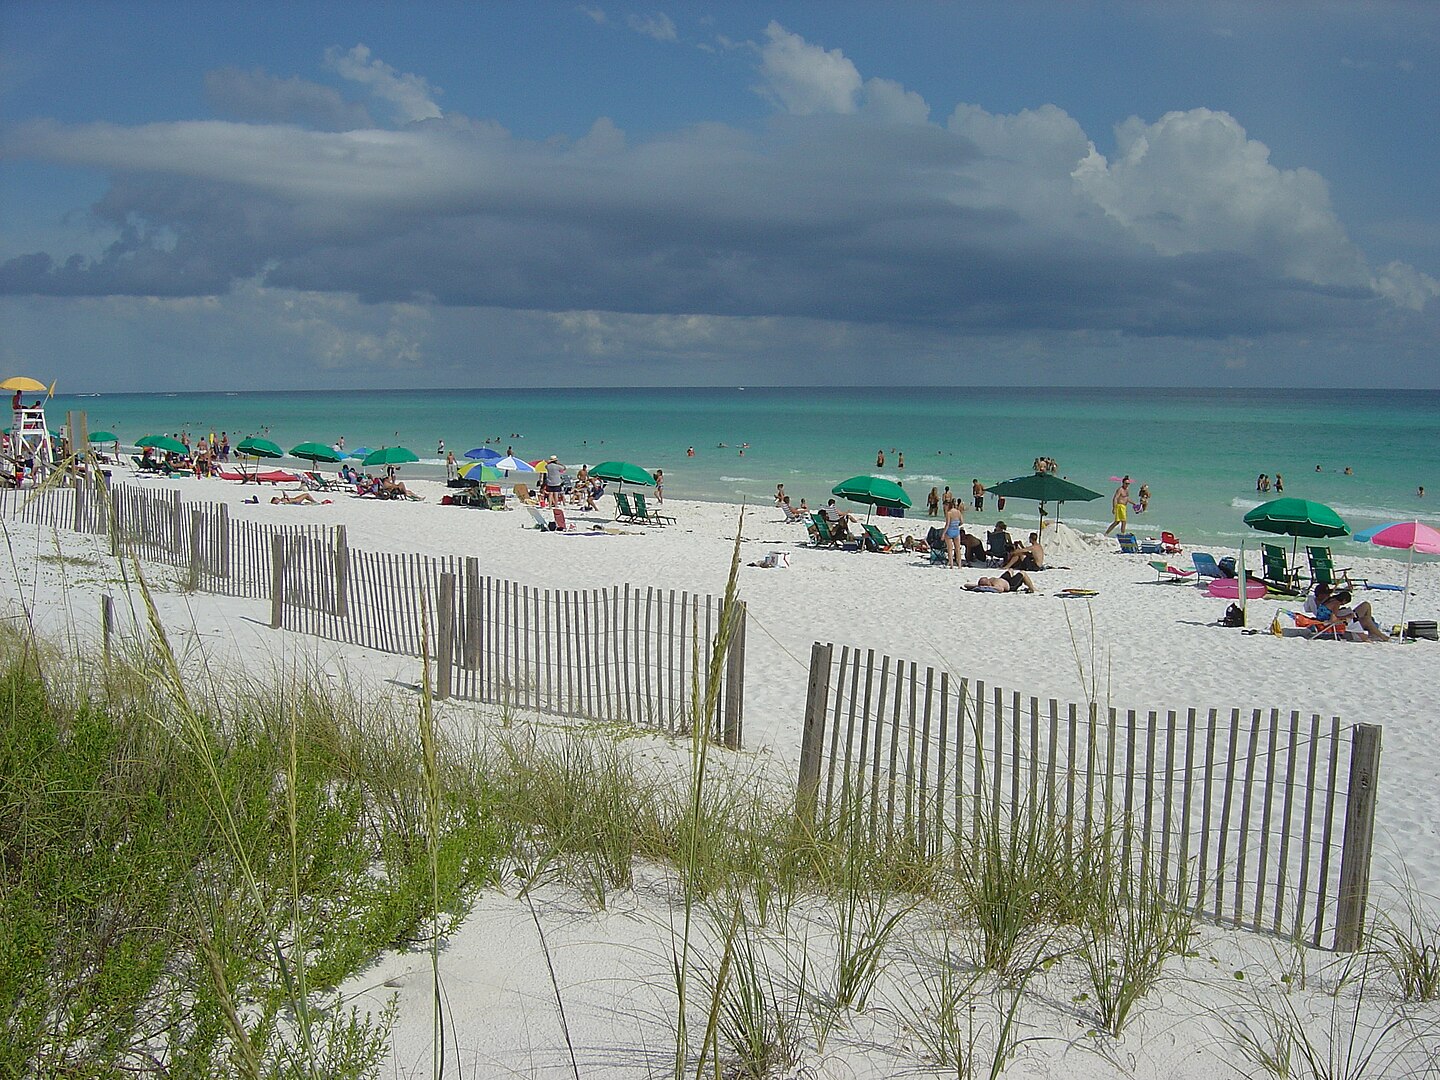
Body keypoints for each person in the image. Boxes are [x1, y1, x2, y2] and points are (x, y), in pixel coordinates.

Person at [967, 571, 1035, 593]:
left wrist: (976, 586)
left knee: (1010, 570)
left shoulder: (989, 581)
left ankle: (1030, 586)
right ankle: (1032, 589)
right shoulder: (994, 586)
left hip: (1003, 579)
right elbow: (1001, 589)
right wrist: (987, 587)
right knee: (1023, 573)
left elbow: (966, 585)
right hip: (1010, 585)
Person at [942, 500, 965, 568]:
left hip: (949, 531)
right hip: (956, 531)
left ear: (947, 505)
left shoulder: (948, 513)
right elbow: (962, 522)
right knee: (957, 549)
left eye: (944, 506)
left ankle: (951, 565)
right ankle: (959, 565)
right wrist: (957, 525)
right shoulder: (958, 512)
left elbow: (947, 524)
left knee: (950, 549)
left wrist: (943, 533)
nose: (944, 508)